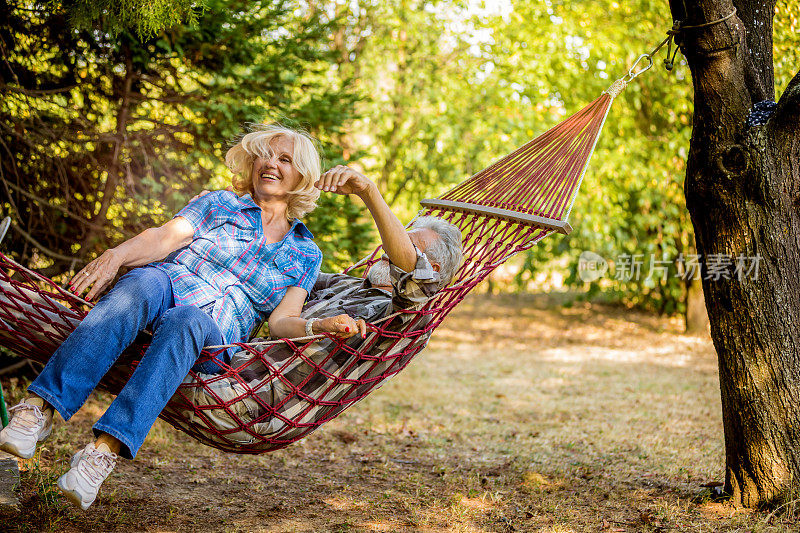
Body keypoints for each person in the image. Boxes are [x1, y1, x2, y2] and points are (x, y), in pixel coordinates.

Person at [0, 124, 326, 510]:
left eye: (284, 159)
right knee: (145, 282)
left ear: (302, 176)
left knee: (187, 318)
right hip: (168, 287)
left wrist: (315, 327)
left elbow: (280, 321)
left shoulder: (306, 252)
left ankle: (101, 452)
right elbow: (164, 238)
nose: (270, 164)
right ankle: (40, 409)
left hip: (212, 332)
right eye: (264, 155)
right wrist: (117, 256)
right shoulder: (219, 204)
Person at [164, 166, 463, 448]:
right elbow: (271, 264)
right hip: (225, 362)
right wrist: (214, 215)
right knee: (138, 315)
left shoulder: (407, 323)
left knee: (144, 352)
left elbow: (412, 274)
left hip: (248, 403)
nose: (386, 250)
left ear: (431, 270)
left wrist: (368, 191)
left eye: (407, 247)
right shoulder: (348, 286)